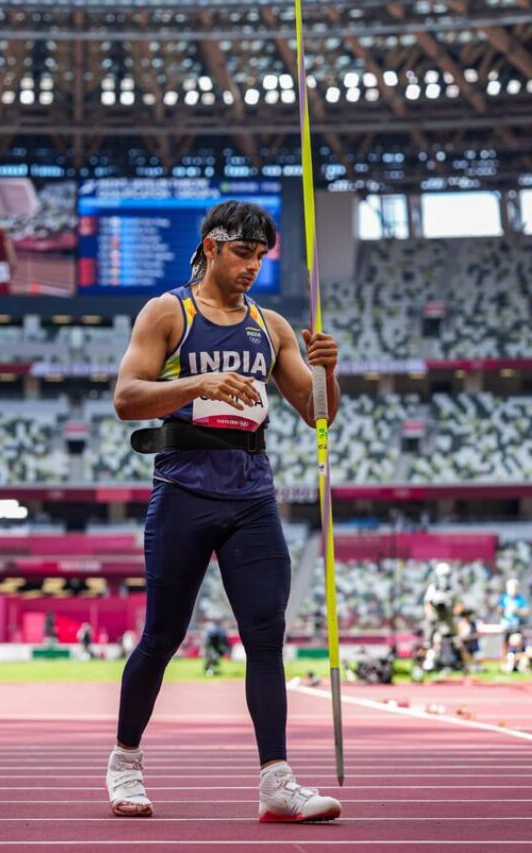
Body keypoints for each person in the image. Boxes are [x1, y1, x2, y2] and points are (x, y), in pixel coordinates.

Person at [105, 199, 342, 823]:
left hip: (251, 499)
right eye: (242, 253)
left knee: (266, 639)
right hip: (183, 491)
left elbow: (317, 413)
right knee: (162, 636)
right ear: (211, 247)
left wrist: (330, 372)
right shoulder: (167, 313)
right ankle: (125, 764)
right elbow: (127, 398)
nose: (252, 268)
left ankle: (277, 781)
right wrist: (196, 385)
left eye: (261, 257)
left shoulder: (272, 327)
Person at [498, 578, 529, 665]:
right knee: (504, 643)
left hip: (517, 625)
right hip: (506, 625)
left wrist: (517, 610)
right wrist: (502, 612)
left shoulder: (521, 599)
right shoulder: (504, 598)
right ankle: (503, 662)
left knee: (518, 643)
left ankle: (518, 663)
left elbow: (526, 611)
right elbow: (499, 610)